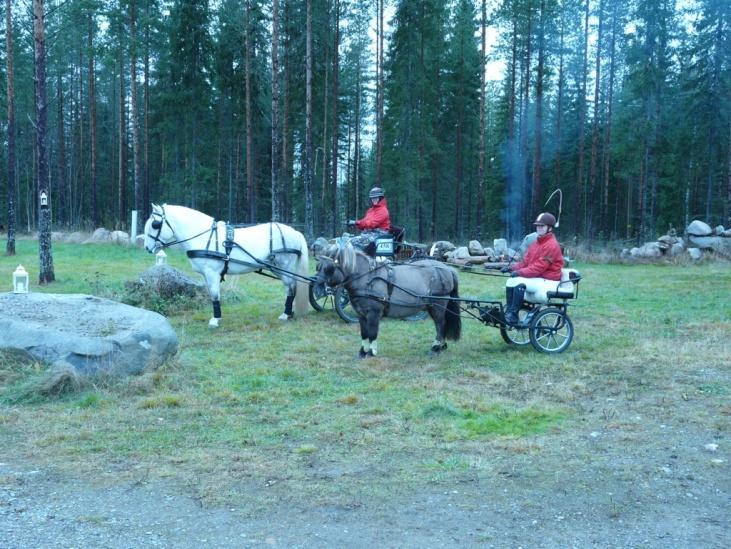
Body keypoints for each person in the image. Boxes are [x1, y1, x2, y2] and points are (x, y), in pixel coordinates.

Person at [501, 212, 564, 325]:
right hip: (539, 279)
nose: (539, 228)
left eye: (542, 226)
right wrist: (511, 268)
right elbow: (525, 262)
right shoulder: (536, 244)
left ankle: (513, 315)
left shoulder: (552, 245)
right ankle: (510, 312)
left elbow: (538, 268)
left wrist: (519, 272)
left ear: (549, 228)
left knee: (519, 281)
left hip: (549, 281)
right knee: (510, 281)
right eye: (538, 226)